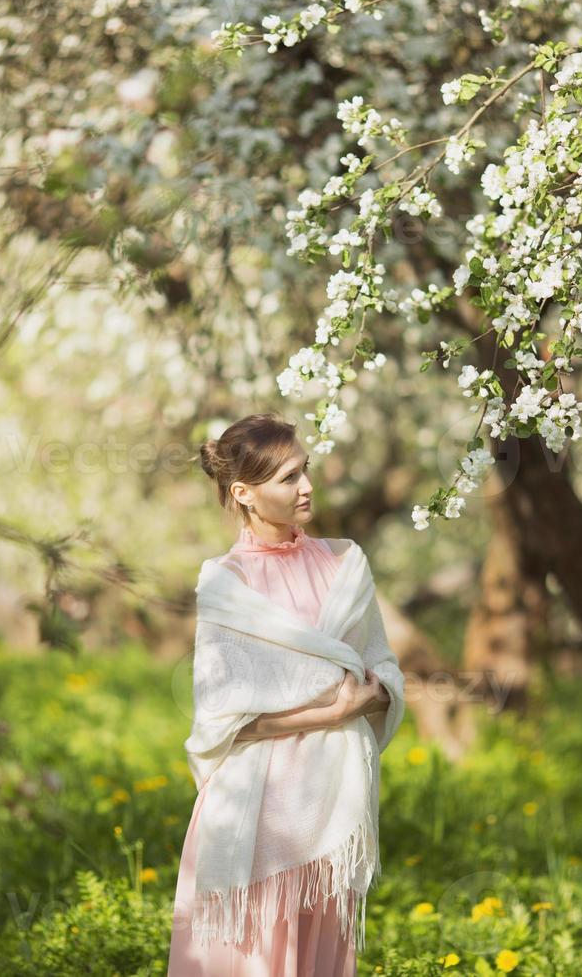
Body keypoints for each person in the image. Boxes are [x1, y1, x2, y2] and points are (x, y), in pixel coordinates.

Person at [168, 413, 397, 976]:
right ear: (243, 493)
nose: (307, 487)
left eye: (307, 470)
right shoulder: (226, 584)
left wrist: (367, 698)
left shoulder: (344, 565)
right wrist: (334, 710)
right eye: (289, 477)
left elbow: (382, 673)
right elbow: (226, 724)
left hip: (328, 813)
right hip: (254, 820)